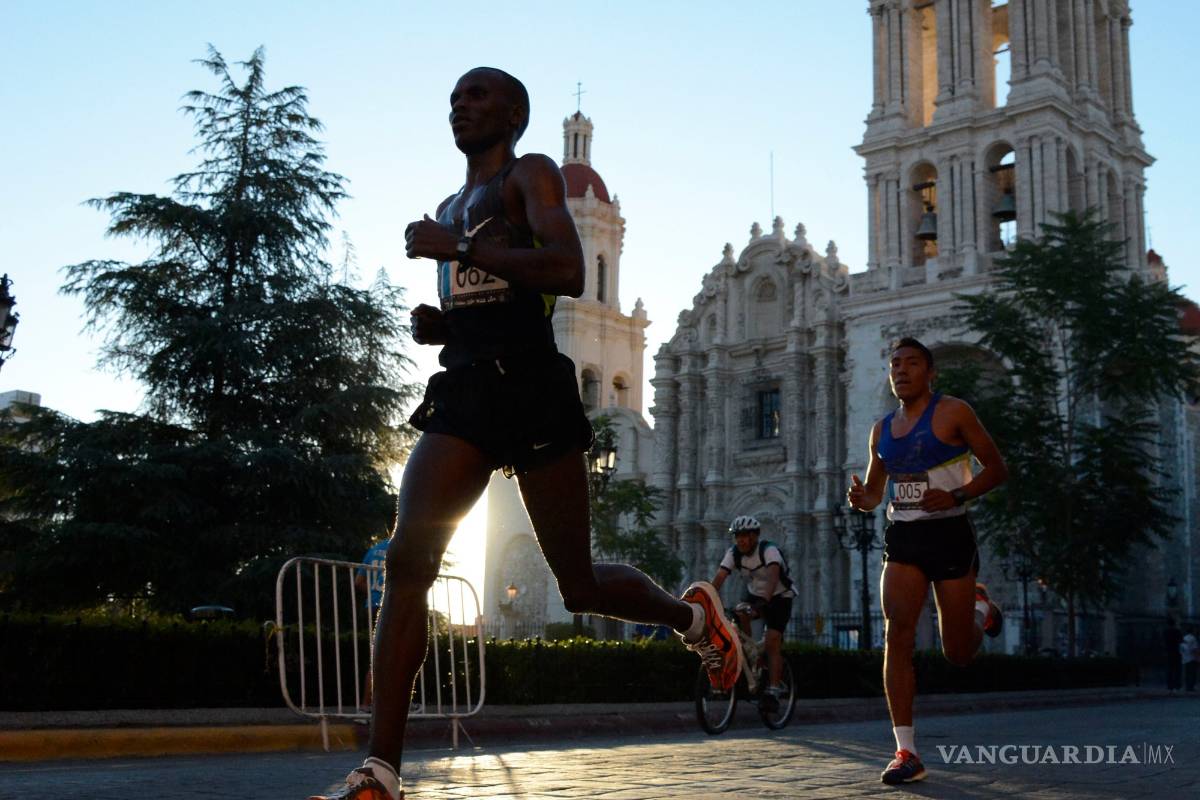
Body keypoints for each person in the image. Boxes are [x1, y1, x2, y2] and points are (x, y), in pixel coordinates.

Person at [309, 67, 741, 800]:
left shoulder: (529, 176)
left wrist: (460, 250)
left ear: (514, 113)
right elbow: (494, 298)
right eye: (452, 98)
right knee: (410, 560)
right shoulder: (453, 203)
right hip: (468, 391)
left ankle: (694, 620)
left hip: (534, 388)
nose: (459, 106)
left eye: (477, 96)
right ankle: (380, 769)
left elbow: (567, 269)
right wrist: (441, 324)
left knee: (576, 583)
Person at [847, 337, 1009, 785]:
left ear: (930, 372)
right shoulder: (881, 429)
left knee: (957, 652)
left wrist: (955, 494)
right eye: (895, 364)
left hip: (950, 533)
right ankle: (906, 750)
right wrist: (863, 499)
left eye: (911, 363)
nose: (901, 371)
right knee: (896, 632)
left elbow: (997, 469)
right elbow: (878, 491)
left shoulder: (954, 412)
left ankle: (980, 608)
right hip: (903, 538)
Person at [710, 515, 795, 705]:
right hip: (754, 595)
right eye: (737, 536)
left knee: (773, 640)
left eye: (745, 535)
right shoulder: (733, 554)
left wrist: (765, 601)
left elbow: (773, 576)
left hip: (780, 597)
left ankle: (774, 688)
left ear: (755, 536)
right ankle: (752, 653)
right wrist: (705, 597)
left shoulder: (769, 550)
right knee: (739, 614)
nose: (740, 539)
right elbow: (720, 576)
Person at [353, 536, 389, 708]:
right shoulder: (402, 548)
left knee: (377, 658)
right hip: (389, 608)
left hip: (370, 608)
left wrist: (374, 593)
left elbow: (358, 582)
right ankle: (368, 705)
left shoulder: (374, 550)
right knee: (394, 657)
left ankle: (369, 705)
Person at [1164, 617, 1183, 691]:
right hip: (1176, 651)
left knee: (1169, 669)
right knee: (1177, 669)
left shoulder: (1165, 631)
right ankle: (1177, 685)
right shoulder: (1177, 631)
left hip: (1169, 652)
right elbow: (1181, 641)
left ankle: (1170, 685)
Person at [1181, 627, 1199, 692]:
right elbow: (1195, 649)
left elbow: (1181, 648)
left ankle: (1186, 687)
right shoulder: (1193, 638)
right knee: (1192, 673)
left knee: (1187, 673)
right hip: (1192, 658)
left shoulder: (1184, 638)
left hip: (1185, 658)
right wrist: (1197, 657)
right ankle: (1191, 687)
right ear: (1192, 631)